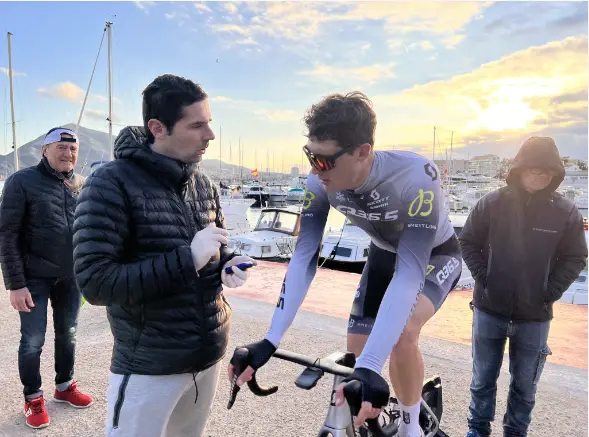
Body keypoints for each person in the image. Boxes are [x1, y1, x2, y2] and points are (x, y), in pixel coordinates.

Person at [228, 92, 462, 437]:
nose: (314, 168)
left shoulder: (416, 175)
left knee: (400, 336)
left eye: (324, 160)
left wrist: (372, 366)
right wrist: (270, 339)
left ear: (362, 151)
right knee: (355, 351)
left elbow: (410, 273)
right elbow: (305, 255)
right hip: (383, 254)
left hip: (433, 256)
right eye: (310, 155)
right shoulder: (319, 181)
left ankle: (411, 429)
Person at [72, 74, 255, 437]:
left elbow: (215, 244)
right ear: (158, 127)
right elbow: (95, 283)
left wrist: (226, 263)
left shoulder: (201, 181)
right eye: (197, 125)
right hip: (148, 368)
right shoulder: (110, 183)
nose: (210, 136)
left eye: (210, 123)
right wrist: (186, 260)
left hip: (207, 357)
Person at [459, 136, 588, 437]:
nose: (540, 175)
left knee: (525, 388)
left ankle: (515, 434)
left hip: (535, 317)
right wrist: (484, 276)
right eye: (533, 168)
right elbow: (467, 241)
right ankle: (477, 431)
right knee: (482, 381)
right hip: (489, 310)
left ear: (555, 174)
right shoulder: (491, 203)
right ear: (519, 168)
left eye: (547, 170)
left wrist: (550, 291)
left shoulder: (565, 212)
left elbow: (576, 257)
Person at [0, 127, 94, 429]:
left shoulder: (81, 184)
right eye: (61, 148)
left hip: (70, 277)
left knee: (69, 334)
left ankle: (64, 386)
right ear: (45, 150)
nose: (68, 153)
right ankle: (33, 397)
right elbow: (7, 234)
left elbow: (88, 232)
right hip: (33, 278)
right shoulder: (21, 182)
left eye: (73, 149)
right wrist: (15, 284)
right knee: (33, 340)